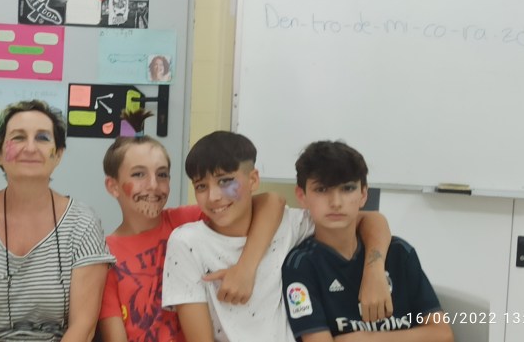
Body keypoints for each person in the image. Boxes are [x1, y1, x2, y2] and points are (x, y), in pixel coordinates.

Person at [162, 131, 394, 342]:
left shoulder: (288, 224)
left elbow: (371, 220)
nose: (214, 196)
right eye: (201, 186)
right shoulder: (187, 242)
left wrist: (374, 271)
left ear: (253, 180)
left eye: (225, 181)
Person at [97, 111, 287, 342]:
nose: (153, 185)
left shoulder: (189, 220)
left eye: (162, 174)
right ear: (113, 186)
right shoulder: (103, 255)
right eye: (139, 174)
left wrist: (246, 268)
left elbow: (272, 202)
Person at [0, 100, 116, 341]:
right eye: (18, 137)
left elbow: (83, 328)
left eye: (43, 138)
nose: (30, 147)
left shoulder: (83, 224)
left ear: (58, 155)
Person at [281, 141, 453, 341]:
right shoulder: (300, 265)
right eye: (321, 189)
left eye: (347, 188)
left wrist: (366, 339)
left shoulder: (399, 253)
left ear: (363, 194)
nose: (336, 202)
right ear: (302, 196)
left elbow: (443, 334)